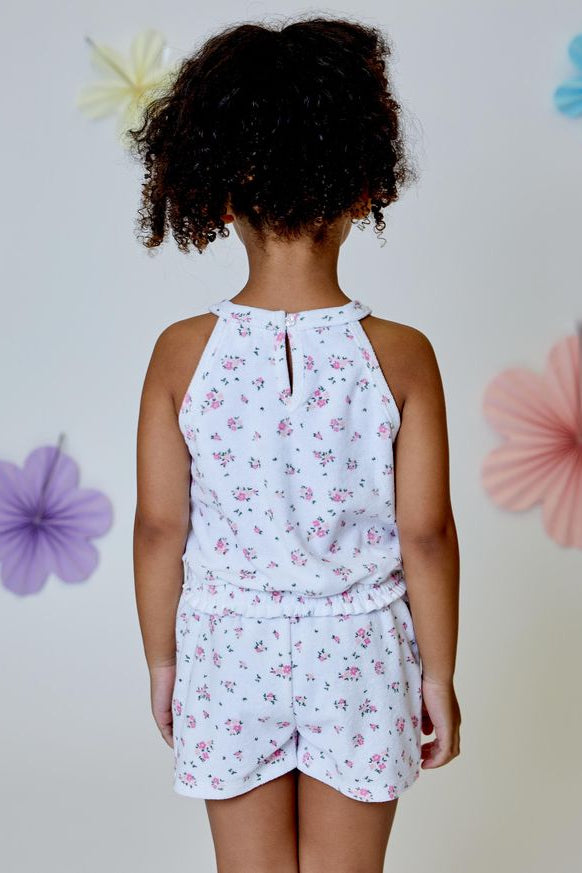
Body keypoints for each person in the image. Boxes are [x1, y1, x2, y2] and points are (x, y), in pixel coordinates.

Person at [129, 15, 461, 873]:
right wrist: (437, 675)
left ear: (217, 195)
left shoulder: (180, 354)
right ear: (362, 188)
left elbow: (160, 529)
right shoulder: (403, 357)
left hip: (228, 647)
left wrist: (164, 663)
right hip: (359, 650)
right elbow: (426, 534)